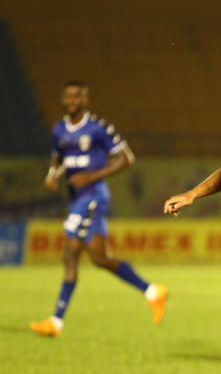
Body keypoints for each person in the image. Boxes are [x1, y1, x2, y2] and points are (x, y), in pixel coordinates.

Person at [30, 80, 167, 337]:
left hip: (93, 196)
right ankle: (152, 291)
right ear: (63, 99)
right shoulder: (58, 129)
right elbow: (58, 159)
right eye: (69, 96)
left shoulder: (99, 128)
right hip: (76, 199)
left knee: (70, 251)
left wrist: (92, 177)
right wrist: (52, 175)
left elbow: (127, 158)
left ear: (85, 100)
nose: (73, 101)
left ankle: (56, 321)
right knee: (99, 258)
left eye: (78, 96)